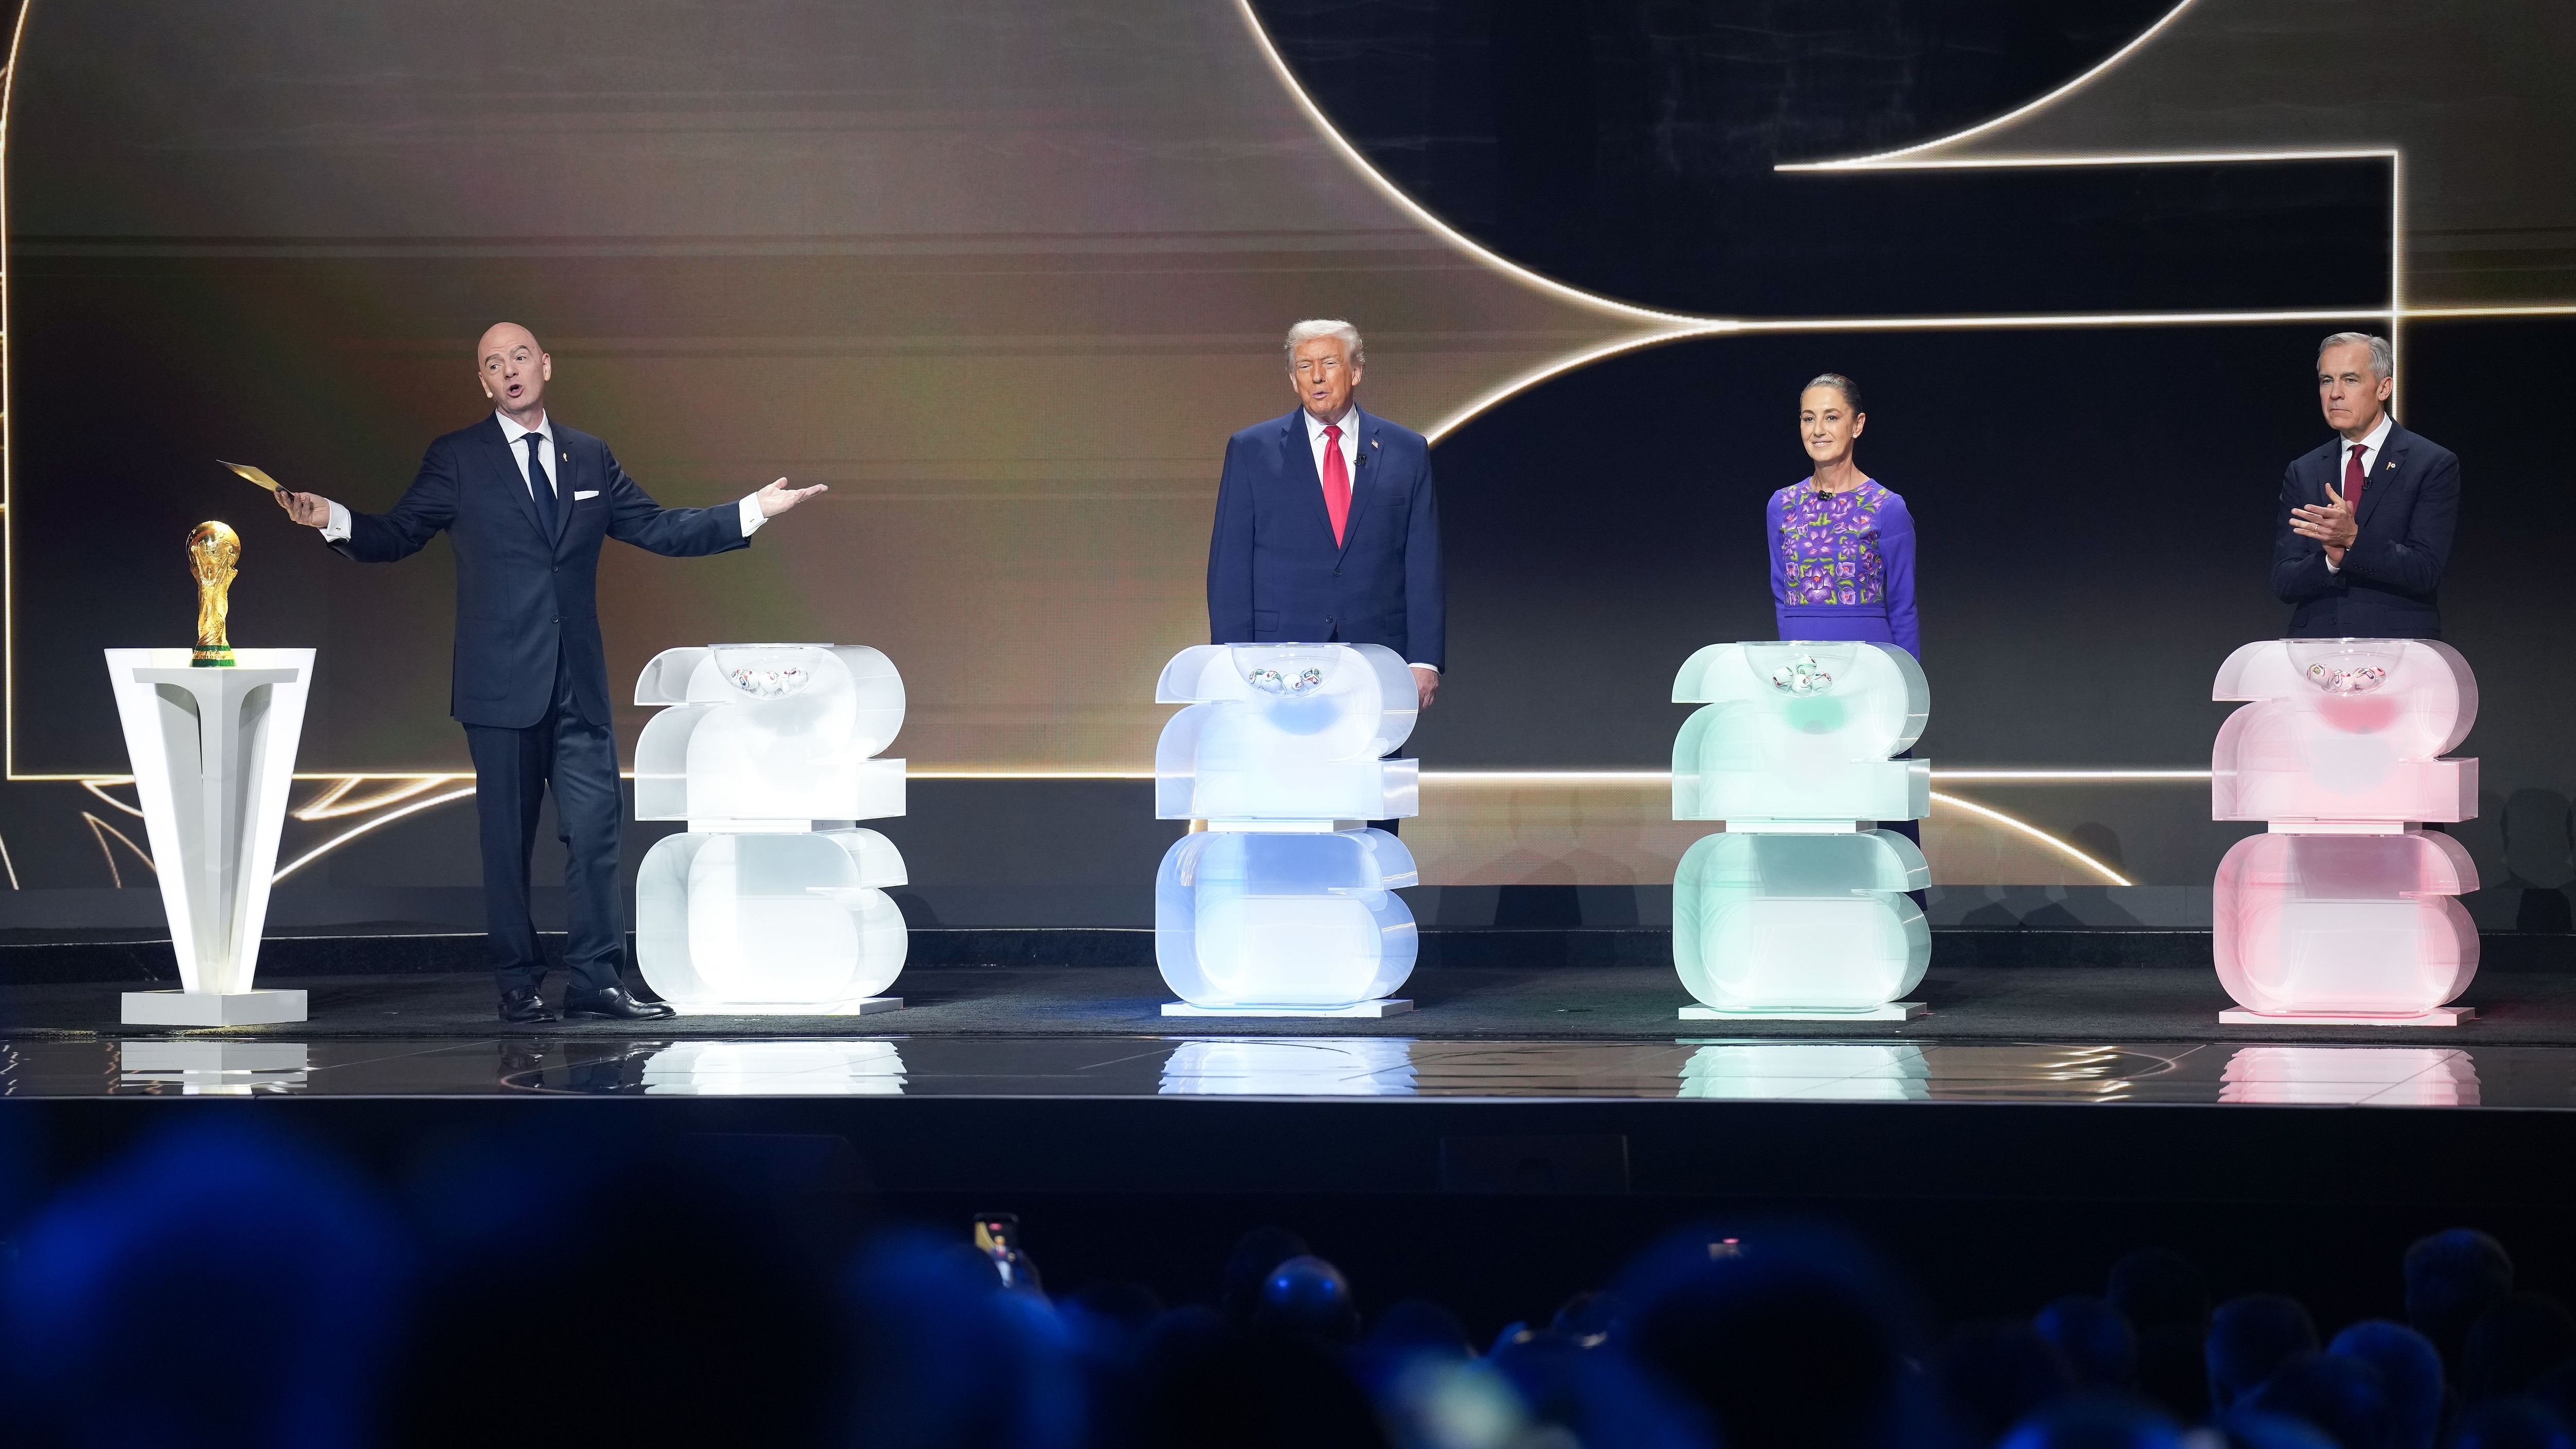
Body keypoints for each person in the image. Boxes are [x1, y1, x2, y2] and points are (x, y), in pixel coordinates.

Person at [275, 323, 825, 1022]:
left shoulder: (589, 457)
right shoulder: (458, 458)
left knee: (596, 832)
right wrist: (334, 519)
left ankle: (597, 979)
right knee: (506, 843)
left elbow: (658, 527)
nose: (509, 370)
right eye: (492, 364)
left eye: (519, 357)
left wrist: (753, 510)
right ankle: (517, 982)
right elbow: (398, 532)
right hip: (500, 687)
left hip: (578, 687)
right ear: (482, 382)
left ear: (546, 365)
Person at [1206, 319, 1445, 712]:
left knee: (1371, 772)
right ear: (1292, 378)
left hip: (1377, 661)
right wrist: (1231, 661)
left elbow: (1423, 562)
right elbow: (1229, 565)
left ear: (1356, 371)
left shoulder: (1406, 451)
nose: (1316, 377)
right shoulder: (1252, 451)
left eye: (1329, 363)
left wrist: (1423, 658)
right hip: (1275, 664)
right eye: (1304, 366)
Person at [1770, 373, 1920, 844]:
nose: (1818, 429)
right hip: (1806, 678)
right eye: (1808, 418)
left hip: (1870, 675)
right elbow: (1783, 594)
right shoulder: (1782, 506)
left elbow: (1904, 606)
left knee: (1885, 806)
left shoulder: (1887, 508)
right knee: (1809, 802)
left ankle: (1902, 911)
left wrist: (1907, 695)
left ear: (1857, 425)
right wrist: (1790, 671)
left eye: (1831, 417)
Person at [2274, 332, 2460, 639]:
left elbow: (2425, 571)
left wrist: (2353, 540)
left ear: (2383, 387)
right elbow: (2285, 580)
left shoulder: (2431, 464)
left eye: (2350, 380)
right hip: (2317, 652)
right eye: (2326, 381)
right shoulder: (2304, 470)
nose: (2335, 394)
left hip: (2398, 649)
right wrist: (2330, 562)